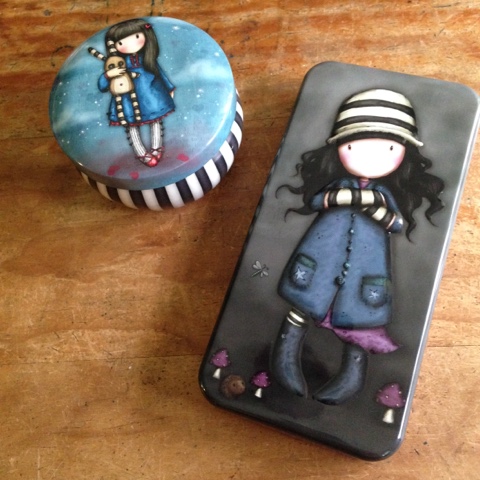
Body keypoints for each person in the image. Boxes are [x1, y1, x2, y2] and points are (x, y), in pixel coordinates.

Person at [272, 89, 444, 405]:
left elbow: (395, 223)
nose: (370, 158)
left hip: (365, 274)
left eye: (388, 148)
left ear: (403, 151)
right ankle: (284, 358)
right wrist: (355, 198)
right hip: (320, 263)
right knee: (303, 306)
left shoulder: (383, 195)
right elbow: (318, 201)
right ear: (340, 146)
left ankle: (351, 377)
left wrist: (371, 204)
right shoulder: (340, 187)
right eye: (355, 146)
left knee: (359, 319)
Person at [98, 18, 175, 167]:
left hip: (152, 95)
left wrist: (169, 88)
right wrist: (108, 75)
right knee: (132, 125)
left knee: (156, 120)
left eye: (137, 37)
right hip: (127, 99)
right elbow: (102, 86)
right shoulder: (117, 63)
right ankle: (141, 152)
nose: (130, 44)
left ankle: (156, 147)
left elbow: (160, 74)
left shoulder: (148, 59)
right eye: (121, 42)